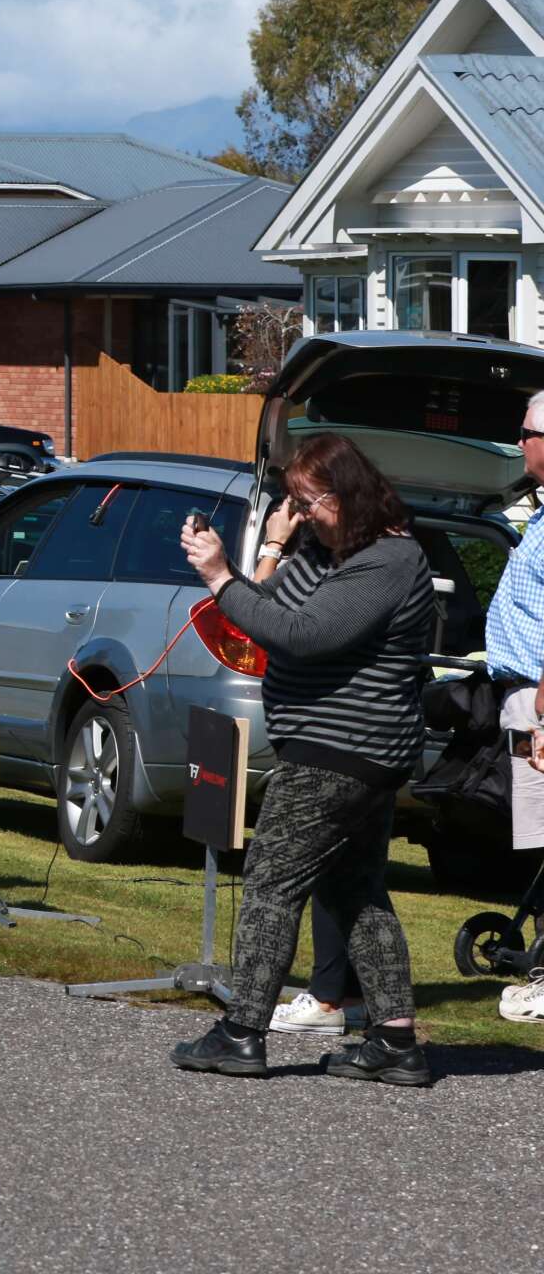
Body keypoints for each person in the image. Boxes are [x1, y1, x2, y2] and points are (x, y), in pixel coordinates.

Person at [172, 432, 435, 1086]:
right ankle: (396, 1042)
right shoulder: (328, 555)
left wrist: (217, 576)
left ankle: (241, 1032)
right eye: (294, 500)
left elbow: (306, 635)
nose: (303, 511)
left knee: (270, 881)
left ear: (347, 494)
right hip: (341, 751)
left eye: (309, 500)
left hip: (343, 752)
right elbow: (260, 616)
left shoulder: (390, 561)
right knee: (357, 893)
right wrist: (269, 546)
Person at [482, 392, 544, 1026]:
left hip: (542, 698)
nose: (518, 441)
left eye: (524, 431)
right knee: (538, 835)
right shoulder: (540, 515)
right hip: (524, 694)